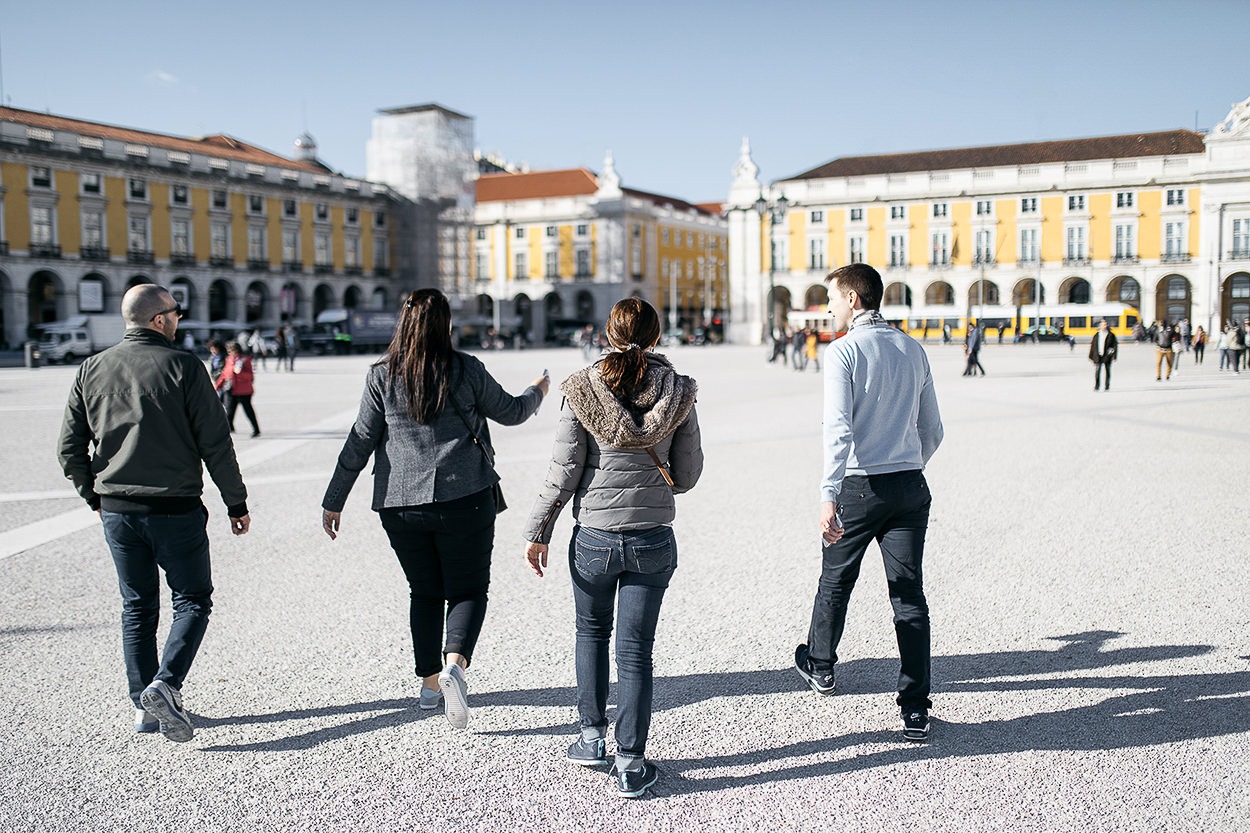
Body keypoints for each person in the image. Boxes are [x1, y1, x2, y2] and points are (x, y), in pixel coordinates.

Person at [321, 289, 548, 730]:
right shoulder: (464, 368)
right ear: (445, 323)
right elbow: (513, 412)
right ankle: (455, 668)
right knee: (466, 589)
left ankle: (429, 686)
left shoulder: (381, 375)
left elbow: (360, 441)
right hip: (465, 495)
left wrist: (335, 499)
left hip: (400, 502)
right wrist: (537, 391)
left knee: (423, 591)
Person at [523, 298, 702, 799]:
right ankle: (631, 762)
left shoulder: (581, 390)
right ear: (657, 335)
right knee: (636, 653)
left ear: (607, 333)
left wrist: (539, 530)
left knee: (591, 633)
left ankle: (590, 737)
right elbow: (686, 476)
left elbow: (563, 473)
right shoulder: (679, 392)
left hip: (595, 537)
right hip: (650, 537)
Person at [57, 284, 251, 743]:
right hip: (175, 508)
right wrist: (235, 502)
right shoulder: (184, 367)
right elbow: (215, 443)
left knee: (137, 606)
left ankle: (143, 708)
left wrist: (95, 496)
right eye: (176, 313)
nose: (179, 320)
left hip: (118, 510)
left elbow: (69, 449)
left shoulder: (91, 368)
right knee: (192, 600)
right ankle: (166, 683)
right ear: (160, 320)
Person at [795, 263, 943, 743]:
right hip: (908, 486)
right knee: (909, 597)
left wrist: (828, 493)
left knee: (836, 580)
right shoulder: (912, 348)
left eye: (832, 299)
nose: (830, 308)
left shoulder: (843, 352)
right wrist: (906, 461)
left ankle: (821, 666)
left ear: (853, 300)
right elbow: (933, 430)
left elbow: (838, 430)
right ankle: (915, 708)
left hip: (860, 488)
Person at [214, 341, 260, 437]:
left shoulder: (245, 360)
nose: (230, 353)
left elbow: (250, 376)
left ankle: (256, 429)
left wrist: (239, 373)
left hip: (244, 391)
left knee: (248, 411)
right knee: (229, 411)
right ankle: (229, 429)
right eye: (229, 351)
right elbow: (225, 374)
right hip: (231, 390)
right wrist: (218, 385)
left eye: (231, 351)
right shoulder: (228, 360)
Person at [1089, 318, 1118, 391]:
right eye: (1102, 324)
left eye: (1105, 324)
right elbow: (1093, 346)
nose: (1104, 326)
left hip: (1107, 355)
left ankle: (1107, 385)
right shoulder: (1097, 335)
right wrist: (1091, 355)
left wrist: (1114, 355)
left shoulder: (1111, 335)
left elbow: (1114, 345)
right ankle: (1097, 386)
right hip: (1098, 355)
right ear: (1100, 326)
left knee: (1107, 371)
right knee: (1097, 371)